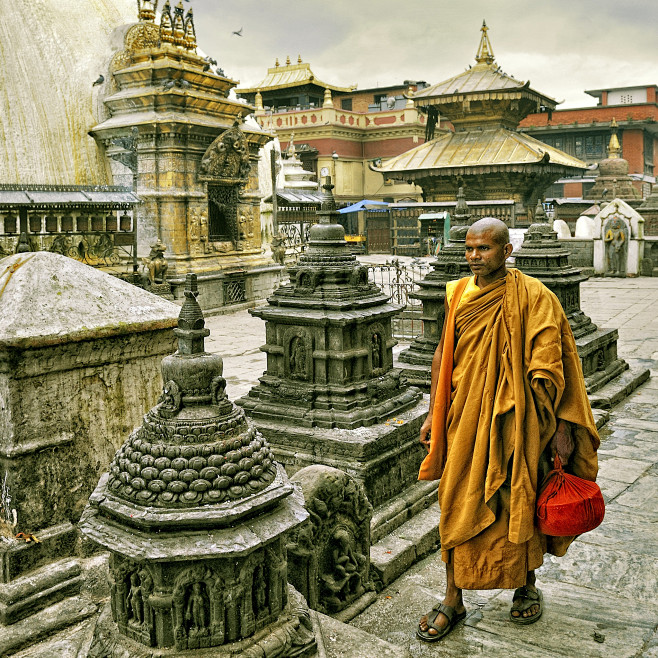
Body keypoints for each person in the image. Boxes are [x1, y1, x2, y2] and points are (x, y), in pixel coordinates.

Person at [416, 217, 599, 642]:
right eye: (469, 249)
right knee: (457, 501)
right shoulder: (457, 293)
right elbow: (445, 352)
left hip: (524, 421)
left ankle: (525, 585)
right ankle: (452, 598)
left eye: (484, 249)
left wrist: (561, 430)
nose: (474, 257)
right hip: (465, 417)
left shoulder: (536, 297)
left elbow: (557, 367)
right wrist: (432, 412)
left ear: (506, 251)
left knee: (522, 495)